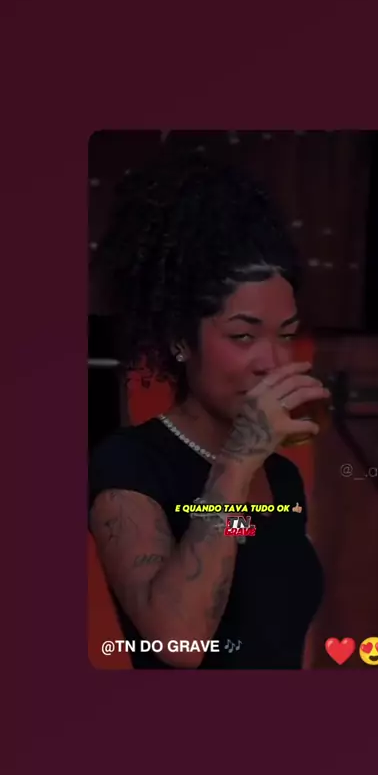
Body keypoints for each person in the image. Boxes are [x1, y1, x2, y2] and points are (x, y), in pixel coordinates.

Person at [89, 154, 330, 669]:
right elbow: (179, 642)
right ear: (180, 340)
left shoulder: (281, 478)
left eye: (285, 335)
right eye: (243, 336)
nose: (272, 361)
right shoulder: (130, 464)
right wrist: (238, 461)